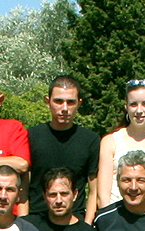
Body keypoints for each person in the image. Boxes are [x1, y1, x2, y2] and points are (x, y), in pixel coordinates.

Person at [95, 78, 145, 210]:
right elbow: (103, 196)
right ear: (126, 106)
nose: (139, 110)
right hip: (119, 218)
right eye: (133, 104)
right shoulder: (110, 142)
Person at [26, 75, 100, 217]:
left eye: (70, 102)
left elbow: (94, 190)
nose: (64, 108)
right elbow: (23, 188)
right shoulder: (31, 136)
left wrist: (87, 226)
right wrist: (25, 224)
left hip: (75, 220)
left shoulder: (90, 140)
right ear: (48, 102)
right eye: (58, 101)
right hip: (37, 219)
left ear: (79, 103)